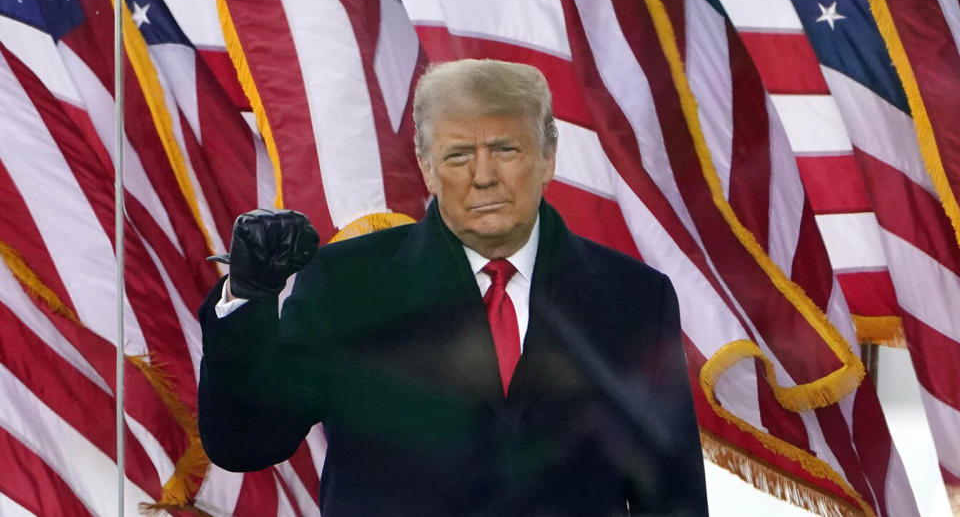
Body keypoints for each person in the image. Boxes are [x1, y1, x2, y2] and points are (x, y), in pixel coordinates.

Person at [198, 59, 707, 516]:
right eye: (459, 155)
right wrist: (251, 294)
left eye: (506, 149)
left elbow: (671, 496)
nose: (483, 176)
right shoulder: (346, 282)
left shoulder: (634, 296)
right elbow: (244, 442)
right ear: (426, 166)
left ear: (548, 156)